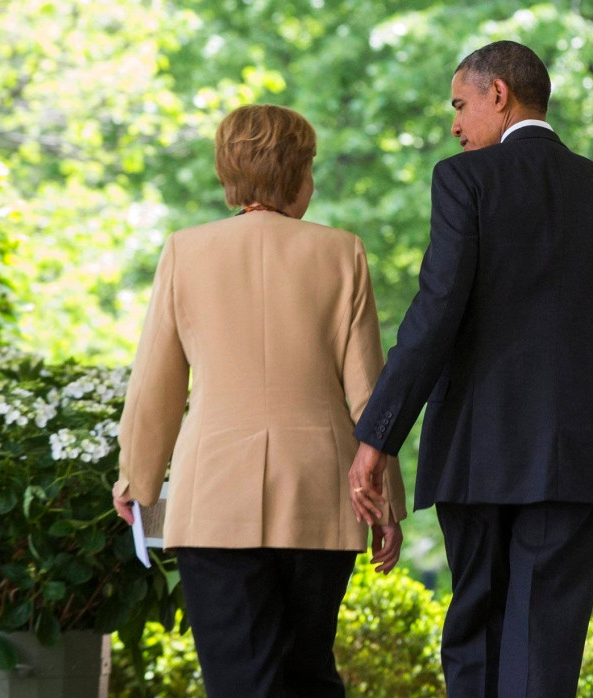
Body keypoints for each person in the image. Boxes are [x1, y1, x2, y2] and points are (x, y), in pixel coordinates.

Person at [347, 41, 593, 698]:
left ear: (500, 94)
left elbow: (434, 316)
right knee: (544, 657)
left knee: (475, 641)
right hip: (579, 467)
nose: (456, 126)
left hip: (475, 457)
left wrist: (377, 437)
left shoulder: (464, 180)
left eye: (461, 106)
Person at [111, 103, 408, 698]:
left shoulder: (184, 252)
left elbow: (156, 386)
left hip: (214, 495)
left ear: (230, 174)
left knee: (238, 679)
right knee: (308, 675)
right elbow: (369, 395)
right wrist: (386, 501)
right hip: (320, 496)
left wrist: (137, 483)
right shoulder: (343, 252)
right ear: (299, 174)